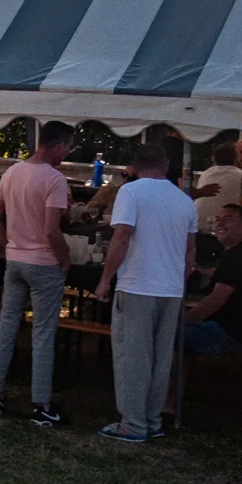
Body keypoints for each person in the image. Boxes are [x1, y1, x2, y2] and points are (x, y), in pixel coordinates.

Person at [93, 143, 197, 442]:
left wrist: (105, 278)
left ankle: (132, 423)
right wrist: (177, 279)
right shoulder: (185, 201)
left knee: (133, 356)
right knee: (160, 358)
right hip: (171, 289)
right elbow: (190, 252)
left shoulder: (131, 192)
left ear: (135, 167)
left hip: (137, 284)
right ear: (166, 164)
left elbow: (122, 237)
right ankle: (152, 419)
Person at [0, 121, 76, 427]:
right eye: (68, 148)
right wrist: (65, 259)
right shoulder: (54, 179)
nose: (67, 153)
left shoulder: (12, 172)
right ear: (59, 145)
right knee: (43, 333)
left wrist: (8, 243)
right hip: (44, 262)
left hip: (15, 260)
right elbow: (51, 229)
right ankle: (41, 404)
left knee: (7, 326)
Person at [183, 204, 242, 354]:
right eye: (218, 220)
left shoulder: (240, 256)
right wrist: (194, 270)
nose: (220, 223)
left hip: (232, 335)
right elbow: (221, 272)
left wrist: (184, 320)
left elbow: (216, 300)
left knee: (166, 333)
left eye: (228, 219)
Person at [192, 141, 242, 233]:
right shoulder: (241, 175)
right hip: (224, 228)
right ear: (235, 158)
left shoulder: (206, 173)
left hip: (199, 224)